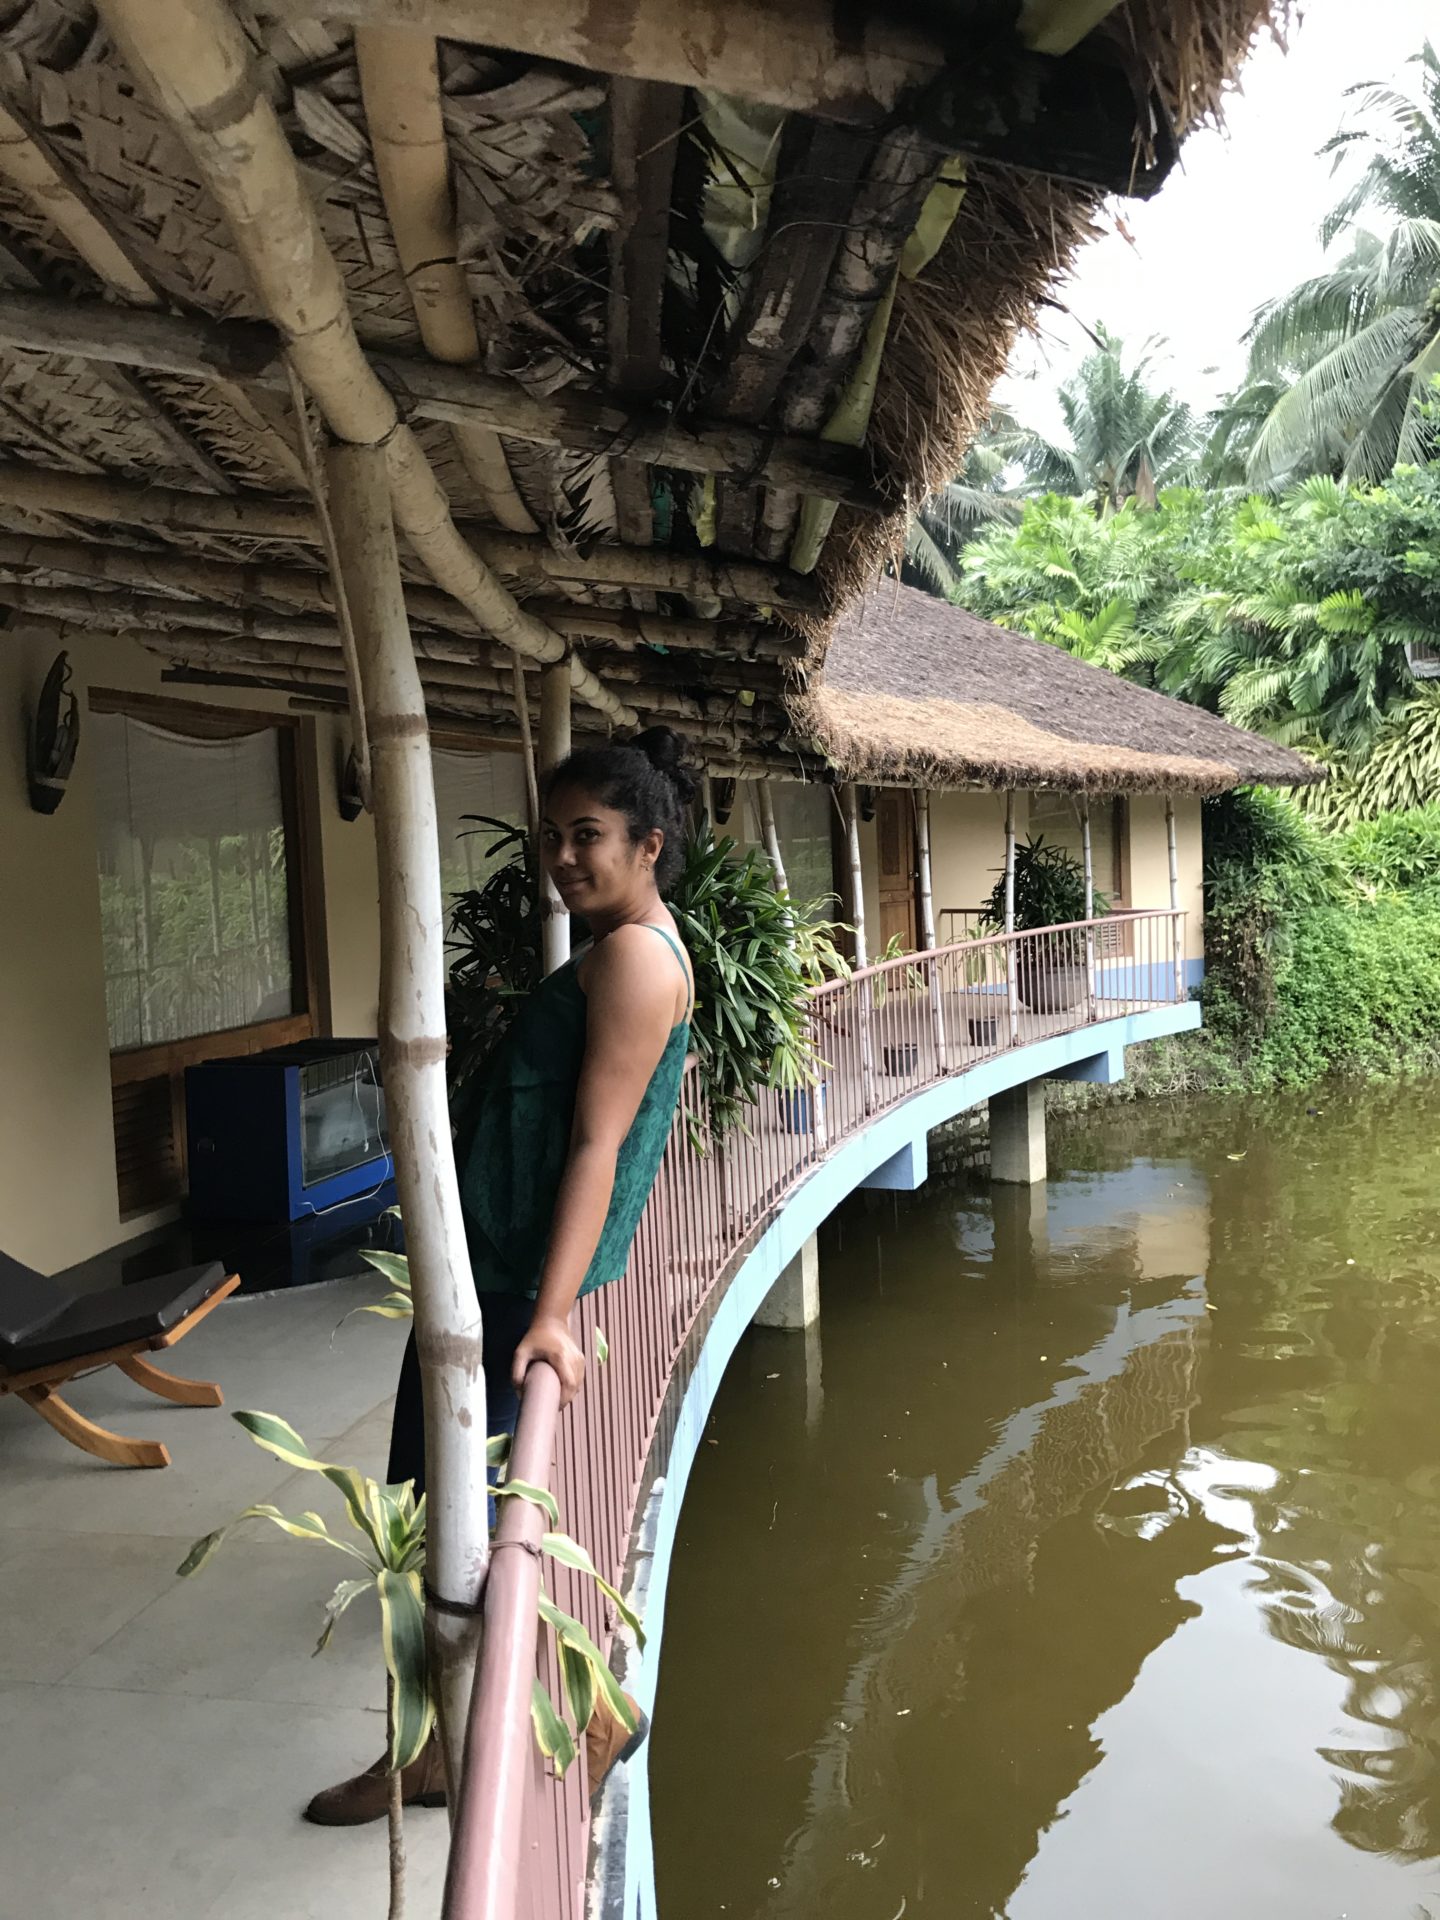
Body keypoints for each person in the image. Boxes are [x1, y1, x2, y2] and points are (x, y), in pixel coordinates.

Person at [306, 727, 696, 1826]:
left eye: (589, 838)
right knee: (446, 1511)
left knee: (452, 1518)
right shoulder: (646, 941)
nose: (564, 859)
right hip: (496, 1266)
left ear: (647, 844)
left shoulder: (629, 957)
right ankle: (441, 1749)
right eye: (551, 839)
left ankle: (578, 1707)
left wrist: (552, 1313)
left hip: (514, 1279)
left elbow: (597, 1143)